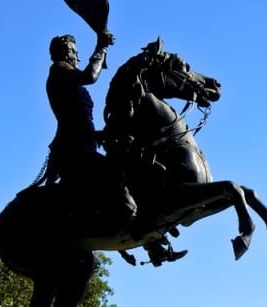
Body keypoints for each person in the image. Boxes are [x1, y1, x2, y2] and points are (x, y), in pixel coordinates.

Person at [41, 31, 185, 266]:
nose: (77, 55)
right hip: (73, 148)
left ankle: (152, 242)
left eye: (76, 52)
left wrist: (109, 135)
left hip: (85, 143)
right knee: (118, 177)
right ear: (63, 52)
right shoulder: (58, 69)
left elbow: (82, 123)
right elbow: (90, 76)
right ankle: (122, 233)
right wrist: (100, 49)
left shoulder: (65, 75)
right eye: (74, 51)